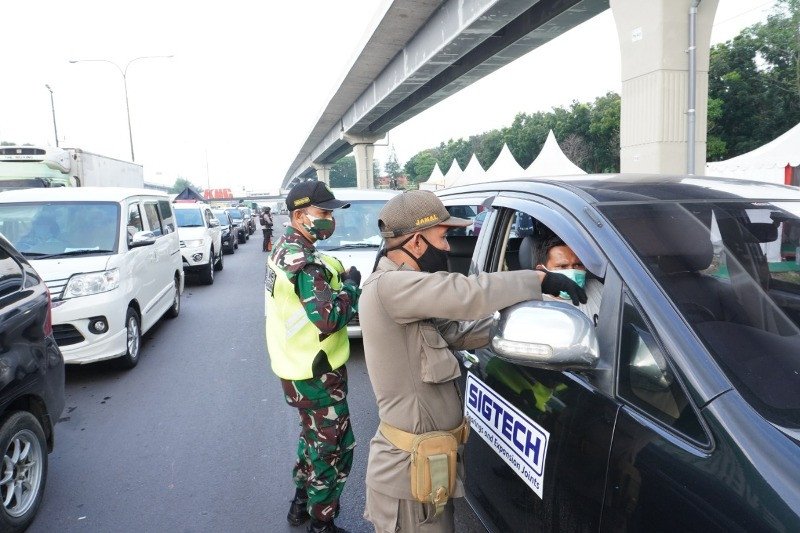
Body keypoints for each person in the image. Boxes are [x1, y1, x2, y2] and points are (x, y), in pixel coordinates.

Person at [358, 190, 586, 533]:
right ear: (417, 242)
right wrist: (536, 280)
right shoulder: (390, 286)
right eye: (443, 236)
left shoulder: (410, 297)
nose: (449, 247)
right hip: (409, 473)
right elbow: (467, 294)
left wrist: (520, 318)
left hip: (430, 462)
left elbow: (457, 331)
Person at [264, 181, 362, 533]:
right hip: (316, 373)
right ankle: (323, 524)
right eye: (323, 213)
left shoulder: (285, 249)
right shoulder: (304, 262)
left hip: (297, 368)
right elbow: (329, 317)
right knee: (333, 449)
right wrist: (352, 286)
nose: (329, 219)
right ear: (299, 215)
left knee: (312, 439)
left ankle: (300, 505)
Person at [534, 234, 603, 325]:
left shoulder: (597, 287)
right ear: (541, 270)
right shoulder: (535, 308)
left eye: (578, 265)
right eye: (562, 266)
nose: (572, 271)